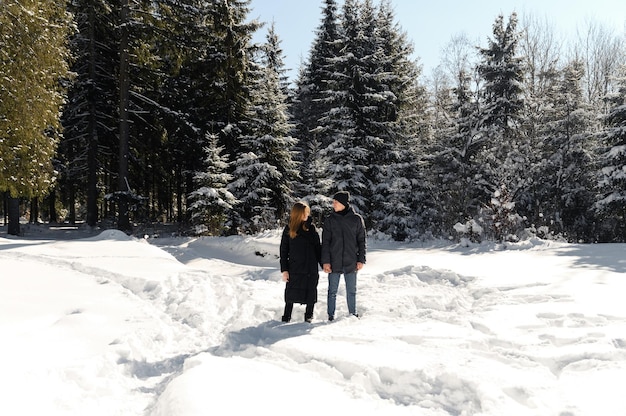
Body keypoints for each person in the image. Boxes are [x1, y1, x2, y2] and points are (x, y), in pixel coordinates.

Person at [321, 191, 366, 321]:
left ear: (343, 204)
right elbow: (325, 243)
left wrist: (361, 259)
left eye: (336, 202)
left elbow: (362, 241)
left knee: (351, 291)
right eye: (333, 202)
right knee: (332, 292)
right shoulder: (330, 220)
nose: (333, 204)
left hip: (351, 261)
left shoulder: (356, 219)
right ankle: (330, 315)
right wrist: (326, 262)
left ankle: (353, 314)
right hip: (334, 262)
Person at [279, 201, 322, 323]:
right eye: (304, 213)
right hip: (295, 267)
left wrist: (324, 263)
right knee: (291, 292)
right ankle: (286, 316)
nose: (307, 215)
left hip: (310, 267)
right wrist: (285, 270)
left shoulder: (312, 229)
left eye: (308, 213)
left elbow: (318, 248)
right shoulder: (289, 228)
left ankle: (309, 315)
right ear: (298, 214)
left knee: (311, 291)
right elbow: (283, 251)